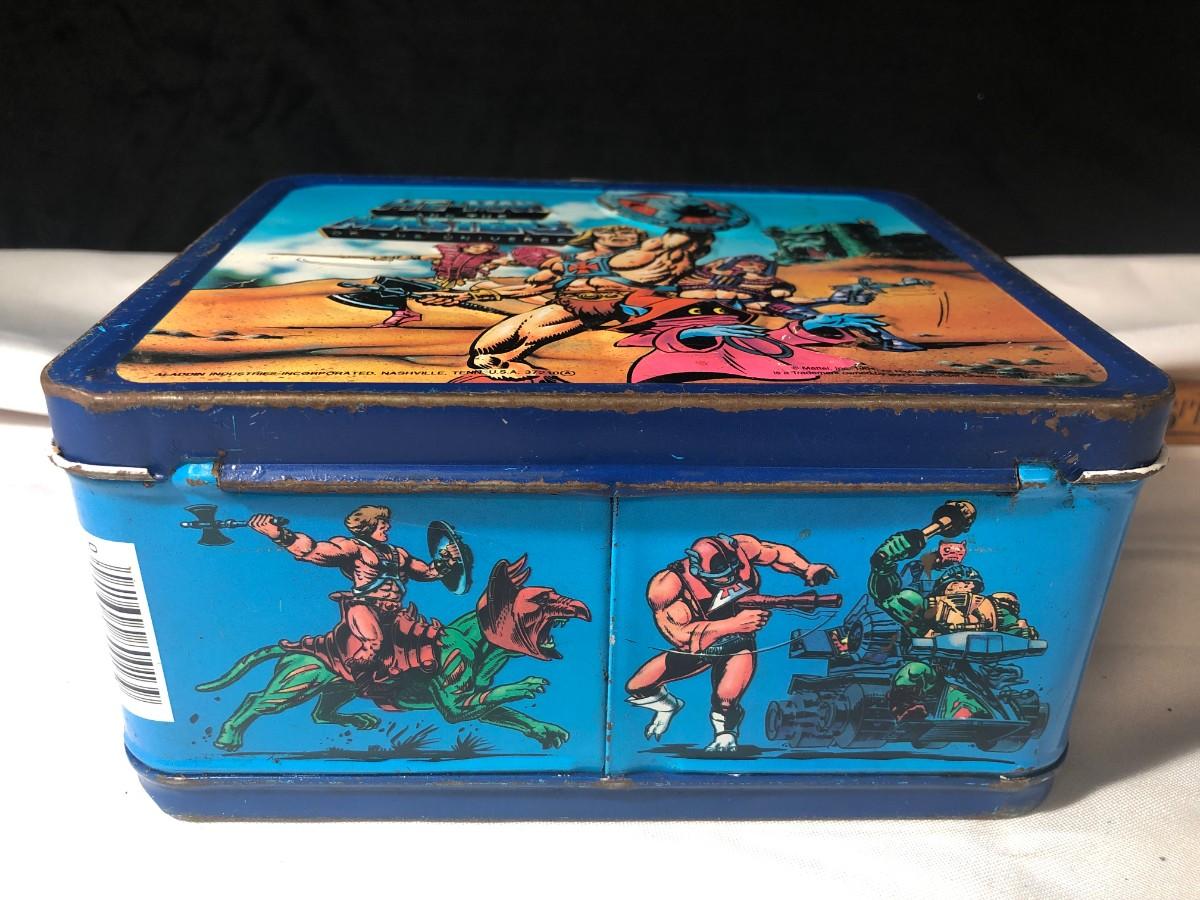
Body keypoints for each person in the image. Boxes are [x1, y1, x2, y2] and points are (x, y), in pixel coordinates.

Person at [625, 533, 837, 752]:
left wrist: (806, 568)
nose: (730, 581)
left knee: (726, 699)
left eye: (732, 572)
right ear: (697, 569)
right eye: (721, 577)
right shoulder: (668, 586)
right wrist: (733, 624)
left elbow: (776, 554)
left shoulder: (743, 547)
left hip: (738, 644)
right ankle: (668, 707)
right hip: (699, 648)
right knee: (638, 687)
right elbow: (679, 636)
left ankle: (725, 736)